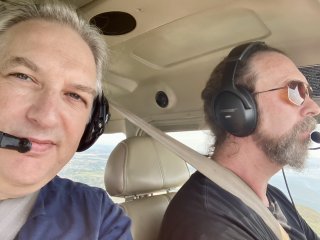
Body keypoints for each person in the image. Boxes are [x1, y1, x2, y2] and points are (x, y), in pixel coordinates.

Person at [158, 42, 320, 239]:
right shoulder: (208, 226)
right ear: (236, 111)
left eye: (308, 93)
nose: (314, 108)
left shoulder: (273, 196)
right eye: (294, 90)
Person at [0, 0, 132, 239]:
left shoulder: (99, 218)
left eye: (74, 95)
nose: (47, 116)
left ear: (90, 126)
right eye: (23, 76)